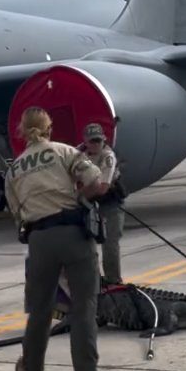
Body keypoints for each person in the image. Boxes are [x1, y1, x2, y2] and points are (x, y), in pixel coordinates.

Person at [5, 107, 111, 371]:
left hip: (39, 240)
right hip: (74, 233)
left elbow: (17, 214)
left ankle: (28, 369)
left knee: (39, 308)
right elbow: (97, 183)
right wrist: (78, 198)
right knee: (83, 306)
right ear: (49, 128)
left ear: (22, 132)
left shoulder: (13, 169)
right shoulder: (64, 152)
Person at [79, 122, 127, 285]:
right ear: (85, 141)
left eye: (98, 141)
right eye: (92, 141)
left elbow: (103, 188)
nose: (95, 145)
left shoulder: (107, 156)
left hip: (110, 203)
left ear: (103, 140)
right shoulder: (79, 155)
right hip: (89, 205)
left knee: (110, 243)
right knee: (87, 244)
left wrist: (77, 196)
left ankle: (113, 280)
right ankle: (93, 279)